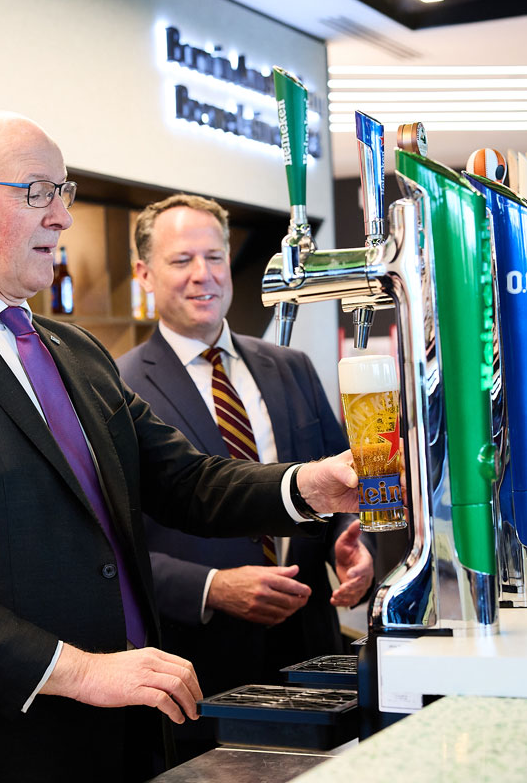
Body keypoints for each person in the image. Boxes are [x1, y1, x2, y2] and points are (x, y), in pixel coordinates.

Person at [0, 110, 360, 783]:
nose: (61, 218)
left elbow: (185, 481)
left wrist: (312, 485)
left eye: (63, 192)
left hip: (128, 730)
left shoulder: (74, 350)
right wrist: (78, 670)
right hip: (0, 748)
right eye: (36, 192)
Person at [117, 194, 374, 759]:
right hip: (203, 667)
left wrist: (352, 544)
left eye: (214, 257)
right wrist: (213, 588)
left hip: (312, 648)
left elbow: (341, 483)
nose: (202, 276)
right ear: (144, 273)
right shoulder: (116, 389)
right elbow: (114, 547)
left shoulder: (291, 366)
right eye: (181, 260)